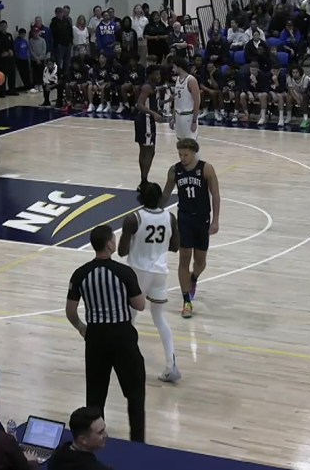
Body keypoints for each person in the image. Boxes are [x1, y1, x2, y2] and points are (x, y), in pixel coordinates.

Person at [64, 226, 146, 443]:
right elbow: (140, 305)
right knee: (135, 393)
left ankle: (93, 438)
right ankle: (138, 442)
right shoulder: (124, 272)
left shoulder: (80, 273)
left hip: (96, 338)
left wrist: (82, 327)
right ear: (110, 244)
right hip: (122, 336)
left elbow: (70, 311)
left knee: (95, 395)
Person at [118, 183, 181, 383]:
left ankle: (127, 363)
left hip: (138, 272)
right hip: (160, 272)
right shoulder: (170, 217)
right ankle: (171, 365)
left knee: (130, 318)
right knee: (160, 318)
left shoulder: (133, 219)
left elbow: (121, 251)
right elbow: (175, 246)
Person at [159, 138, 220, 319]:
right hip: (184, 219)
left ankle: (193, 279)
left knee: (200, 262)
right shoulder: (174, 171)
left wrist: (216, 220)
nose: (183, 158)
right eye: (180, 154)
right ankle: (186, 301)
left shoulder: (206, 169)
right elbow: (165, 194)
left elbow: (215, 195)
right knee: (183, 259)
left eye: (186, 154)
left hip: (202, 220)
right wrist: (153, 208)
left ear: (194, 153)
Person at [134, 65, 163, 190]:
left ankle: (143, 180)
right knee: (149, 151)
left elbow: (153, 104)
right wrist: (154, 114)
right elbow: (139, 105)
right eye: (156, 74)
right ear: (150, 75)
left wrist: (169, 100)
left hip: (146, 121)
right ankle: (143, 181)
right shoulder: (147, 87)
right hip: (145, 121)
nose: (158, 76)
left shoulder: (153, 87)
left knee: (146, 151)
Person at [171, 57, 200, 144]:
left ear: (179, 67)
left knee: (191, 145)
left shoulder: (191, 80)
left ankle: (197, 158)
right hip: (178, 115)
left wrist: (194, 121)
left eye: (174, 67)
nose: (173, 69)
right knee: (181, 144)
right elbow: (176, 100)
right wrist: (173, 118)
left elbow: (197, 101)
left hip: (188, 116)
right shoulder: (177, 80)